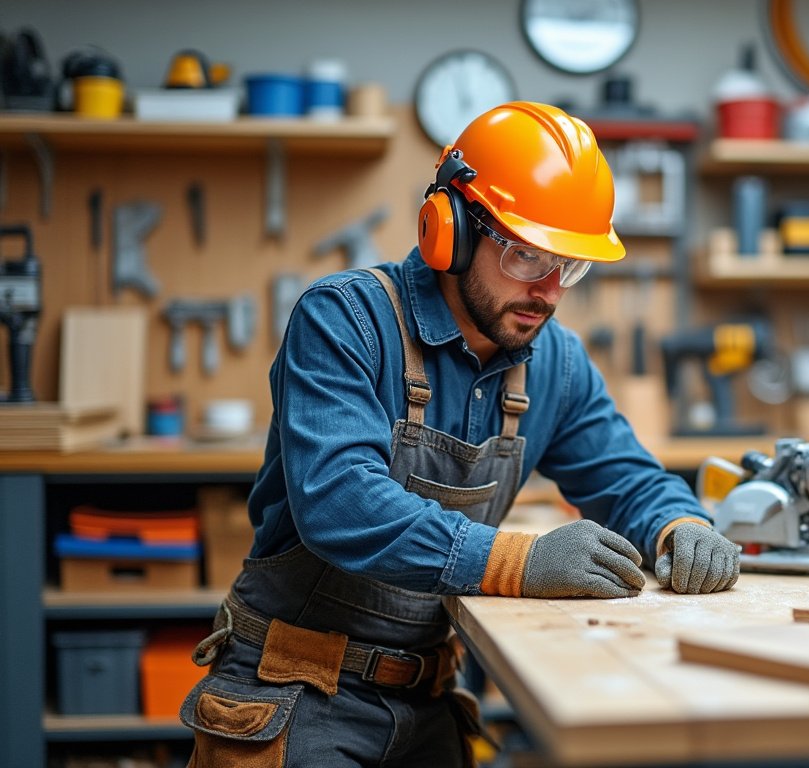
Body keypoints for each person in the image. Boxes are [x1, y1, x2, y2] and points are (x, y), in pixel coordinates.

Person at [180, 101, 740, 767]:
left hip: (432, 702)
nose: (551, 291)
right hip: (294, 695)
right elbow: (341, 502)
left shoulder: (554, 360)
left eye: (571, 266)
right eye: (529, 256)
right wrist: (518, 562)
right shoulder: (345, 321)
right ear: (449, 229)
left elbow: (625, 476)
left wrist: (679, 523)